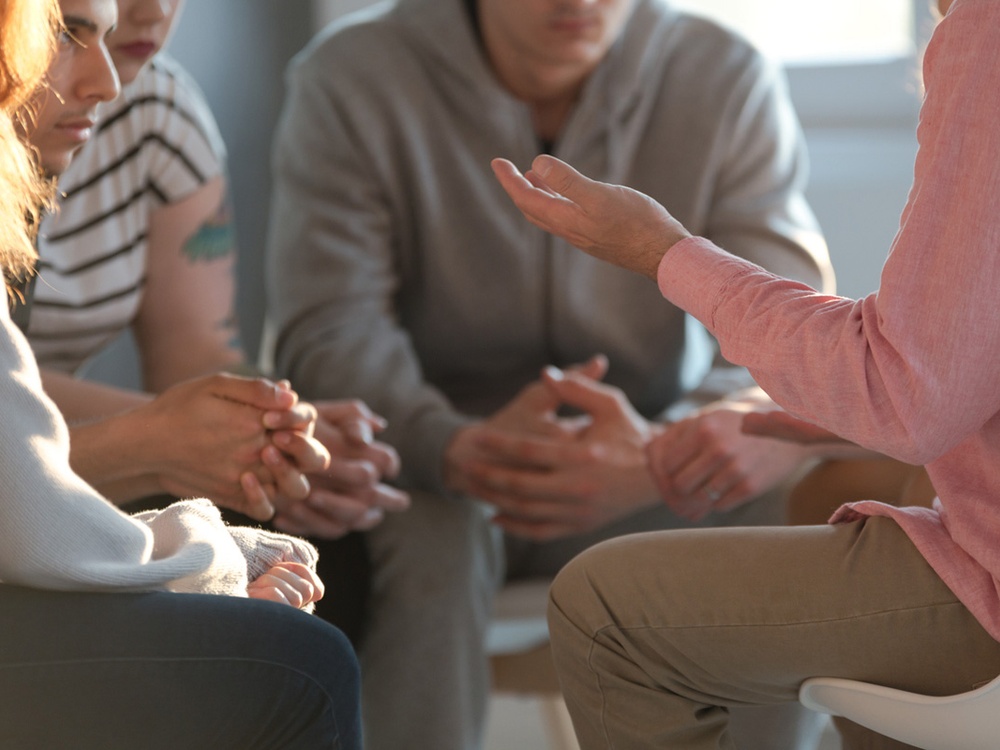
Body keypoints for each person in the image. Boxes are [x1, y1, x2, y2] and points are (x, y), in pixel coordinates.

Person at [265, 0, 836, 746]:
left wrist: (668, 450)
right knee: (418, 525)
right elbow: (331, 326)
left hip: (646, 470)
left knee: (795, 494)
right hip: (433, 470)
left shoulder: (722, 74)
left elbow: (794, 330)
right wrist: (450, 446)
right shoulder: (352, 76)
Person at [491, 0, 1000, 746]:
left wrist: (665, 253)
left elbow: (914, 390)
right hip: (468, 464)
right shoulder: (364, 73)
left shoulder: (982, 32)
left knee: (604, 610)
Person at [0, 0, 361, 746]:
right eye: (66, 31)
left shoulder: (162, 112)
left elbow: (198, 363)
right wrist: (211, 559)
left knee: (320, 529)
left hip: (33, 477)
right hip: (28, 487)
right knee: (302, 663)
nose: (105, 79)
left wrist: (264, 432)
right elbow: (19, 501)